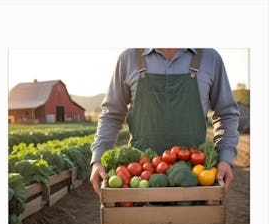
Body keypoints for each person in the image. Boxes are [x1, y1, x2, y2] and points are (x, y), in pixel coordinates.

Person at [90, 48, 239, 195]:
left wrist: (225, 158)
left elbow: (226, 114)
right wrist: (98, 159)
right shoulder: (128, 58)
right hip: (139, 178)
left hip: (195, 178)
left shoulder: (210, 58)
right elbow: (111, 115)